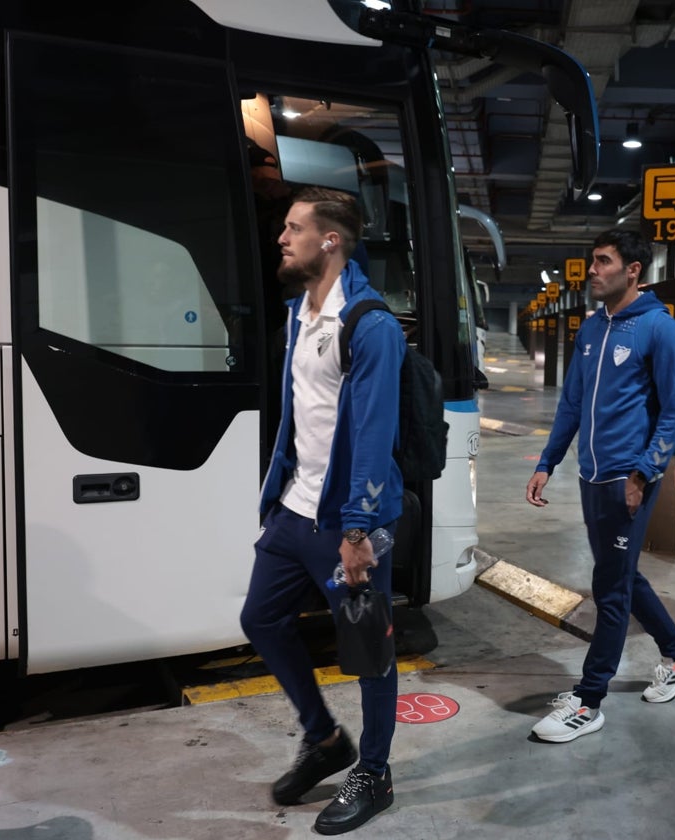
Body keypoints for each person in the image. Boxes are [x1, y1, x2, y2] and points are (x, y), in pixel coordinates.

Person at [241, 186, 405, 835]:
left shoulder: (370, 325)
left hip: (347, 520)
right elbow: (298, 418)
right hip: (293, 511)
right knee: (261, 617)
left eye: (293, 227)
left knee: (369, 650)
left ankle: (375, 771)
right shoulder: (298, 316)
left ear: (329, 240)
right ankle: (324, 738)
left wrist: (359, 530)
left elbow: (371, 431)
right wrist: (273, 497)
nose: (282, 237)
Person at [525, 229, 675, 743]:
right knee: (619, 574)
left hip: (629, 479)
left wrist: (645, 471)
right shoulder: (590, 329)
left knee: (609, 588)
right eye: (592, 261)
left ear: (632, 270)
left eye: (603, 261)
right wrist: (548, 460)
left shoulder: (659, 329)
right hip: (590, 476)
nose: (592, 270)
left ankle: (588, 699)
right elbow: (572, 405)